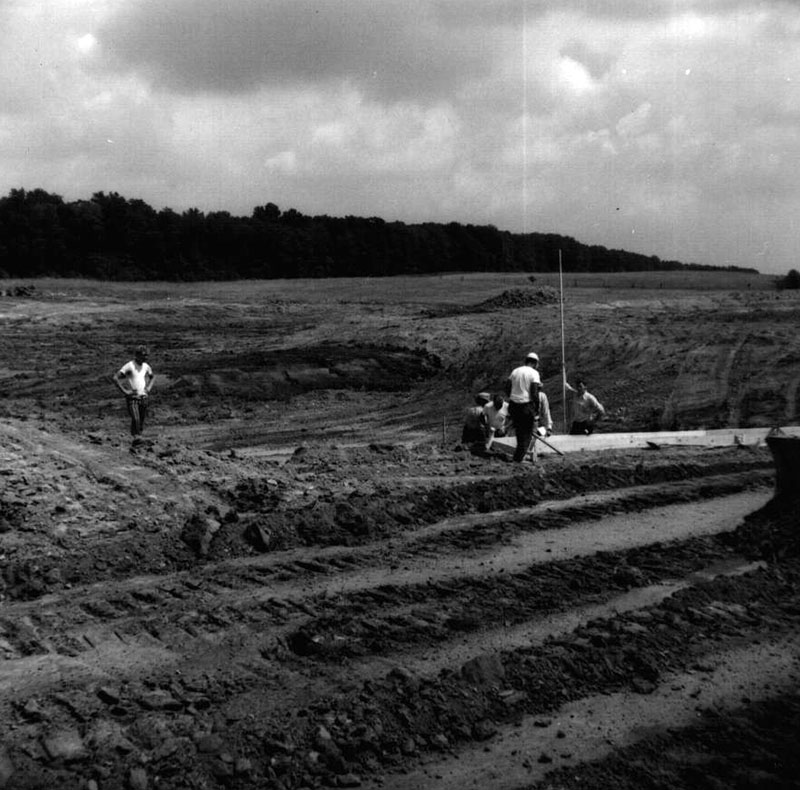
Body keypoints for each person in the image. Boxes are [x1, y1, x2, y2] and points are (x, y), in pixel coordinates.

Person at [113, 345, 155, 440]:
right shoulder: (129, 366)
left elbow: (152, 377)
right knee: (136, 419)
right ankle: (137, 438)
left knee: (140, 421)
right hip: (132, 398)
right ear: (137, 355)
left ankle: (135, 440)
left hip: (143, 397)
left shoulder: (146, 366)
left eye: (147, 355)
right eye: (144, 355)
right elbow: (115, 378)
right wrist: (125, 391)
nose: (146, 357)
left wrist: (148, 388)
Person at [505, 352, 541, 462]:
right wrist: (537, 407)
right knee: (527, 434)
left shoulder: (515, 371)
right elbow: (534, 392)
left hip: (513, 405)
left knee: (520, 432)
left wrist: (513, 397)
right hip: (526, 405)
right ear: (535, 363)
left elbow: (507, 387)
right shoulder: (534, 373)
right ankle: (518, 459)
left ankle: (518, 456)